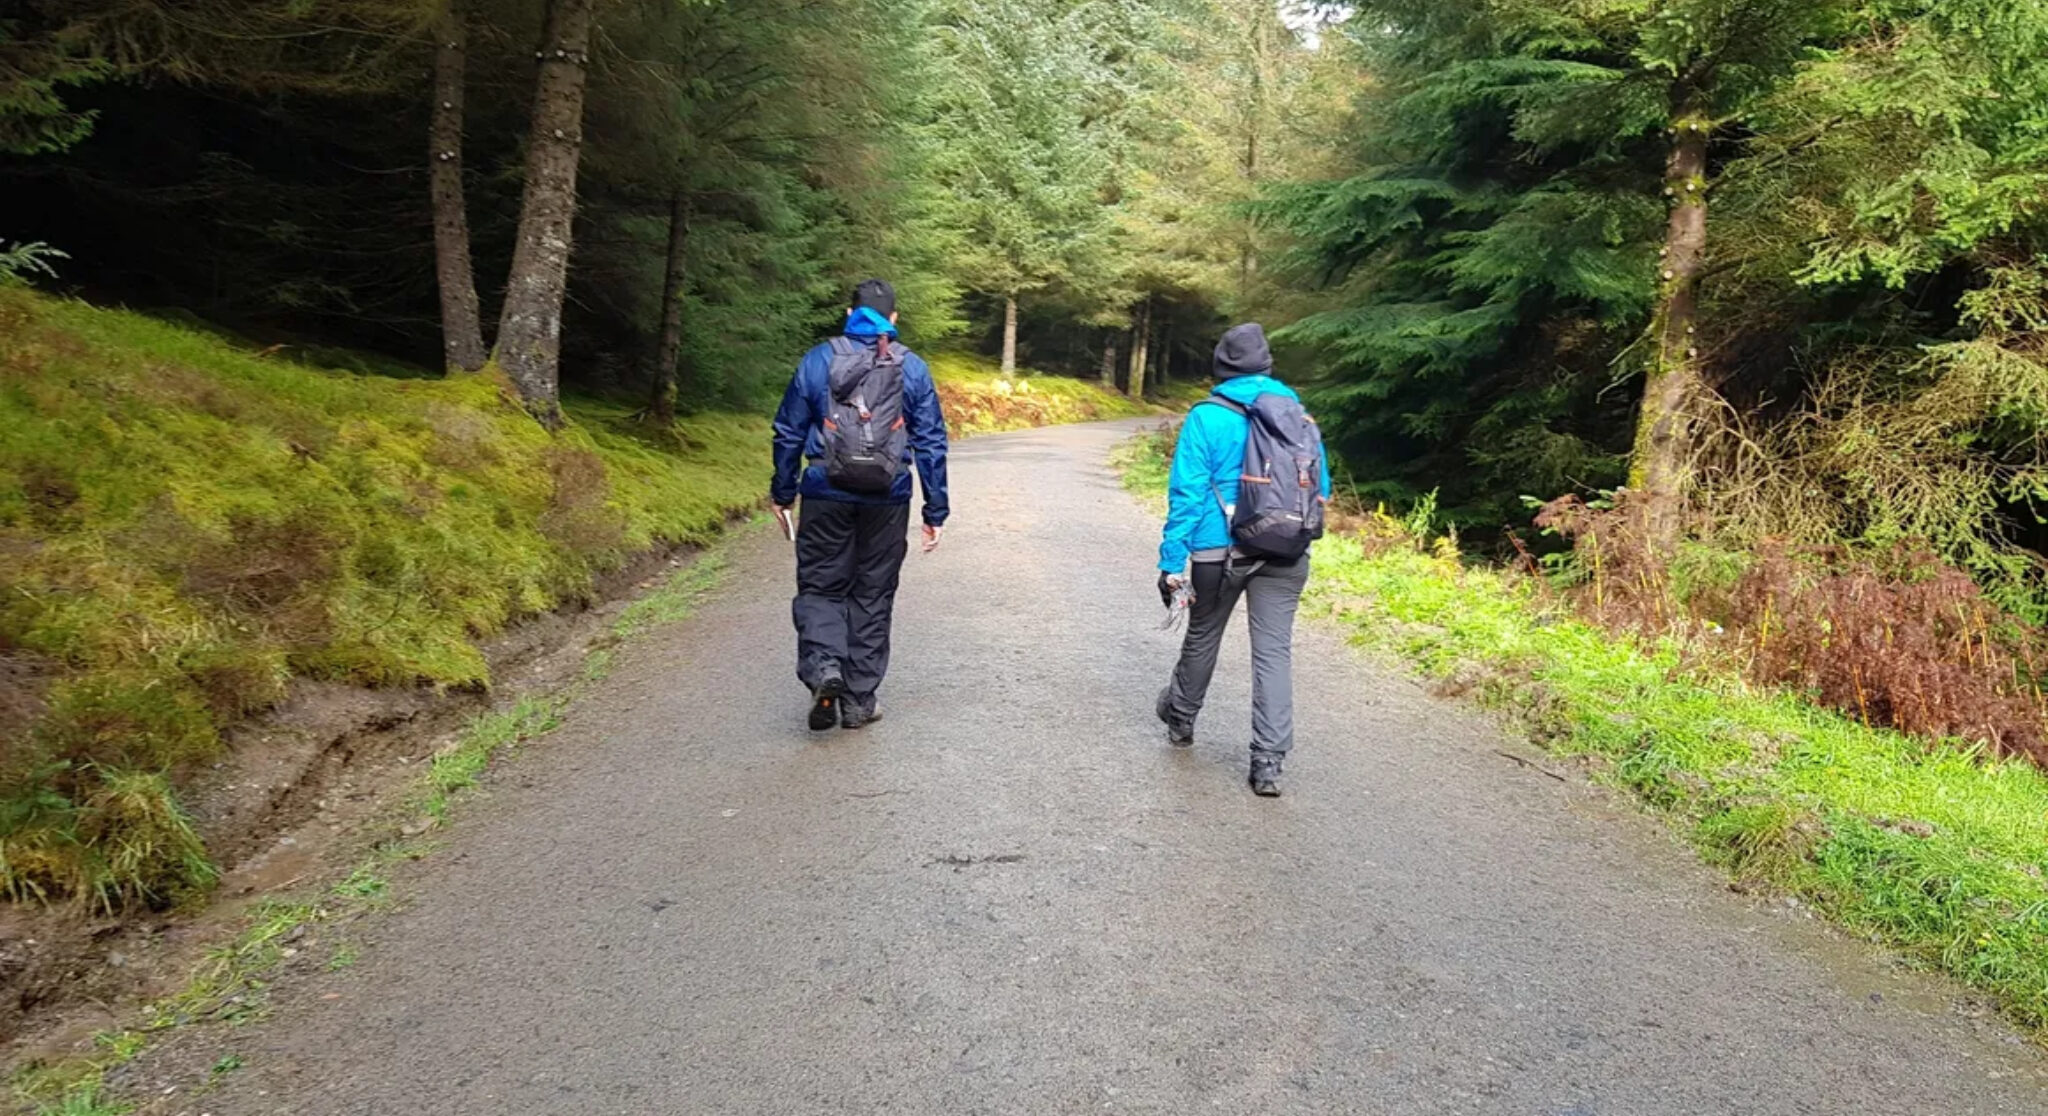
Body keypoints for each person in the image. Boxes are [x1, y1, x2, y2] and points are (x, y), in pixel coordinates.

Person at [1155, 323, 1331, 796]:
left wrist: (1172, 562)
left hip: (1220, 550)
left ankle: (1181, 720)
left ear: (1221, 366)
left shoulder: (1207, 417)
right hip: (1287, 549)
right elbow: (1322, 489)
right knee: (1273, 653)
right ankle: (1268, 764)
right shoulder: (1297, 414)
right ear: (1268, 364)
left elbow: (1188, 494)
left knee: (1203, 634)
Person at [772, 279, 950, 731]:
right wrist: (935, 511)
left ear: (849, 314)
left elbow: (789, 431)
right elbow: (930, 442)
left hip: (825, 491)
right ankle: (858, 701)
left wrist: (783, 492)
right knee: (872, 594)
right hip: (887, 497)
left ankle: (825, 667)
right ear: (893, 319)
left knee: (821, 586)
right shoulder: (912, 367)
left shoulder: (818, 359)